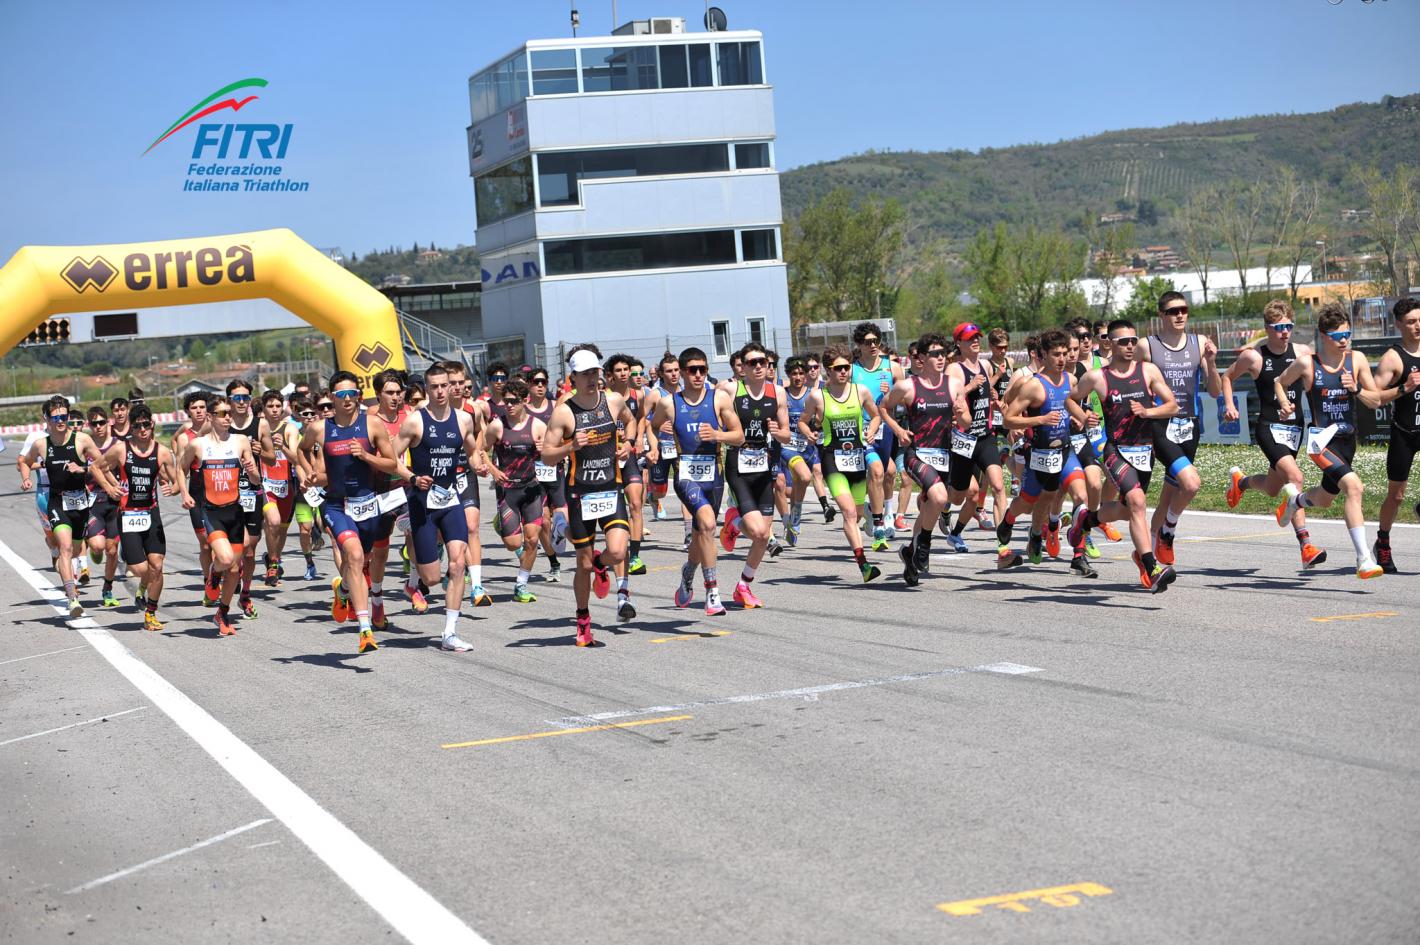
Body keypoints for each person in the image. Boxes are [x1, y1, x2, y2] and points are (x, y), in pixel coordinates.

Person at [1271, 304, 1384, 579]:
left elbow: (1376, 399)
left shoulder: (1356, 360)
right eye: (1337, 335)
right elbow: (1279, 381)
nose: (1344, 340)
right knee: (1354, 488)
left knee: (1323, 499)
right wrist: (1285, 403)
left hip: (1347, 441)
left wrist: (1355, 389)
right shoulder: (1308, 363)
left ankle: (1296, 501)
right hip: (1321, 442)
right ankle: (1364, 559)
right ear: (1323, 336)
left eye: (1347, 333)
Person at [1067, 319, 1179, 593]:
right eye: (1123, 342)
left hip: (1144, 450)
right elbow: (1070, 398)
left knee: (1129, 509)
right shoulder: (1097, 377)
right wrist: (1083, 416)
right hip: (1115, 451)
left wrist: (1148, 412)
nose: (1130, 346)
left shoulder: (1148, 370)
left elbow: (1172, 405)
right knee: (1138, 502)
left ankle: (1086, 520)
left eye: (1133, 341)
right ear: (1110, 344)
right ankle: (1151, 567)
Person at [541, 346, 637, 646]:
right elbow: (546, 455)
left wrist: (629, 443)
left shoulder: (613, 400)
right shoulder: (564, 412)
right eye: (585, 374)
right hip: (581, 492)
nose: (592, 379)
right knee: (582, 565)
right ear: (572, 378)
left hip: (610, 488)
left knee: (619, 553)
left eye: (595, 372)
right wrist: (571, 447)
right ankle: (583, 620)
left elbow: (630, 421)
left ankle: (601, 563)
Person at [300, 371, 401, 652]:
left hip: (368, 503)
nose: (348, 400)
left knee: (361, 560)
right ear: (332, 397)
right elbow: (302, 449)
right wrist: (311, 473)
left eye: (352, 394)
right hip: (336, 504)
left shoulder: (373, 425)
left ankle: (342, 590)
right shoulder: (320, 428)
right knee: (355, 556)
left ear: (359, 395)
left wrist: (366, 456)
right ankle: (365, 630)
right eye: (341, 395)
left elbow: (392, 464)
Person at [1221, 299, 1326, 569]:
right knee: (1296, 477)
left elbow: (1316, 383)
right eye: (1279, 327)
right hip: (1269, 427)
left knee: (1272, 488)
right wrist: (1230, 406)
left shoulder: (1303, 351)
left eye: (1289, 326)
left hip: (1294, 428)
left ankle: (1240, 482)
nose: (1285, 332)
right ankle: (1306, 545)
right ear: (1267, 328)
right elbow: (1227, 377)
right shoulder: (1254, 356)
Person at [646, 346, 744, 616]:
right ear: (683, 372)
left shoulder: (719, 399)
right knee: (709, 524)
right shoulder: (669, 403)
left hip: (715, 475)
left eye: (703, 369)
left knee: (703, 533)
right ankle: (712, 592)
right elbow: (651, 426)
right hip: (686, 474)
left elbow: (739, 435)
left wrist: (718, 435)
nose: (698, 375)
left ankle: (688, 571)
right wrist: (653, 446)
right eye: (693, 370)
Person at [392, 363, 483, 651]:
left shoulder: (463, 419)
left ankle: (449, 633)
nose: (442, 391)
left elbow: (471, 450)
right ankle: (416, 575)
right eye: (435, 386)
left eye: (446, 385)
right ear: (426, 389)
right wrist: (411, 477)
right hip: (422, 504)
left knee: (457, 563)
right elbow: (390, 458)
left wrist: (478, 465)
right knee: (432, 578)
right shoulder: (415, 422)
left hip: (451, 499)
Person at [1003, 329, 1096, 578]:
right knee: (1031, 502)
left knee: (1081, 496)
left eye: (1065, 353)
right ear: (1043, 354)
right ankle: (1016, 523)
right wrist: (1040, 419)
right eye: (1056, 354)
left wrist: (1086, 418)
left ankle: (1078, 555)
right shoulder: (1033, 385)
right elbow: (1008, 419)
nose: (1062, 358)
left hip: (1066, 451)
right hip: (1040, 454)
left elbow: (1072, 406)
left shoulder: (1071, 380)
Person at [18, 396, 120, 618]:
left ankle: (74, 572)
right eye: (56, 417)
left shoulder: (82, 440)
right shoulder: (41, 444)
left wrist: (103, 480)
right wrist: (26, 478)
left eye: (64, 416)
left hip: (80, 503)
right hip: (57, 501)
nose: (61, 421)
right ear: (47, 418)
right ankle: (72, 597)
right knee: (64, 547)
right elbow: (25, 462)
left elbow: (100, 464)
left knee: (74, 549)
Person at [1137, 291, 1216, 567]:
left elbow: (1215, 390)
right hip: (1159, 425)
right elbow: (1130, 382)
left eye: (1183, 309)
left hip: (1190, 425)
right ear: (1161, 315)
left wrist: (1212, 361)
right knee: (1191, 483)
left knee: (1169, 495)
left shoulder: (1199, 343)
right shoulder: (1147, 346)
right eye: (1173, 311)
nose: (1180, 315)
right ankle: (1168, 532)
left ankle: (1148, 554)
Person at [176, 395, 264, 635]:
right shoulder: (198, 445)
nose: (229, 417)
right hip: (211, 511)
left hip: (235, 511)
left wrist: (253, 471)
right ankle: (214, 574)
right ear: (211, 417)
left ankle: (222, 612)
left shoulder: (241, 441)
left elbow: (257, 480)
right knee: (225, 560)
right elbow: (180, 468)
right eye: (223, 413)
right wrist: (184, 493)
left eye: (230, 413)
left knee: (235, 569)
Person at [880, 332, 963, 585]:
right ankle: (924, 544)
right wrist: (898, 430)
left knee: (930, 505)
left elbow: (966, 420)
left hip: (944, 454)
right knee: (939, 497)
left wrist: (961, 415)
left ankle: (911, 553)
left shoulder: (953, 384)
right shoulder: (907, 386)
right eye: (935, 354)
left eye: (943, 354)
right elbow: (883, 407)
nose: (941, 358)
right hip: (917, 454)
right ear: (922, 357)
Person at [798, 345, 883, 583]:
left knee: (855, 514)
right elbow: (803, 422)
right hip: (831, 459)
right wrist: (808, 434)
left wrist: (872, 431)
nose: (844, 372)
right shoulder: (818, 396)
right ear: (828, 370)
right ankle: (863, 564)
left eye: (847, 367)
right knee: (847, 512)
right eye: (838, 368)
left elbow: (875, 415)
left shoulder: (861, 391)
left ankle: (865, 510)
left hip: (856, 459)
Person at [97, 404, 180, 630]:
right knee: (142, 570)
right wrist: (110, 486)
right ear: (131, 428)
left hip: (151, 514)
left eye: (146, 425)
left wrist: (174, 489)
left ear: (152, 425)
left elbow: (176, 482)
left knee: (157, 566)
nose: (143, 429)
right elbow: (97, 467)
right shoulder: (121, 450)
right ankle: (137, 570)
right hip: (129, 515)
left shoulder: (162, 452)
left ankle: (151, 613)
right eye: (137, 426)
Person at [722, 342, 790, 608]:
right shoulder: (730, 391)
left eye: (763, 362)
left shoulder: (778, 393)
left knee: (763, 536)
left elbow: (785, 434)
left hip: (764, 465)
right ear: (743, 368)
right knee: (756, 529)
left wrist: (776, 431)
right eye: (753, 363)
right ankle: (734, 522)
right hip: (738, 463)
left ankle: (743, 586)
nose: (760, 366)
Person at [944, 322, 1009, 554]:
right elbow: (950, 398)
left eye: (977, 338)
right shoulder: (954, 370)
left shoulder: (985, 365)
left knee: (999, 486)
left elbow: (986, 394)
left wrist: (995, 400)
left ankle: (1003, 545)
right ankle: (944, 507)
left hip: (985, 436)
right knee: (962, 496)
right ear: (958, 343)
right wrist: (970, 386)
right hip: (963, 440)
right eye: (970, 338)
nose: (975, 342)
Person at [485, 377, 548, 605]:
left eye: (513, 401)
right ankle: (501, 523)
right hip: (508, 491)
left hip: (532, 489)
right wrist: (493, 470)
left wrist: (544, 450)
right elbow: (481, 450)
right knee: (513, 544)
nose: (508, 405)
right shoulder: (497, 425)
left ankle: (521, 585)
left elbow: (551, 458)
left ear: (525, 401)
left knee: (532, 540)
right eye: (505, 401)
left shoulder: (538, 426)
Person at [1369, 297, 1420, 573]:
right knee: (1396, 496)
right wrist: (1405, 388)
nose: (1417, 326)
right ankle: (1383, 542)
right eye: (1411, 322)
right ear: (1399, 324)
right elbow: (1374, 398)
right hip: (1404, 433)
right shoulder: (1393, 357)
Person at [850, 321, 904, 549]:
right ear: (859, 345)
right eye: (867, 342)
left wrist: (891, 395)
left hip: (886, 428)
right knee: (877, 471)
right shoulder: (852, 370)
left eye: (876, 341)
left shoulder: (892, 367)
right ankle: (881, 521)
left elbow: (905, 398)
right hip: (861, 429)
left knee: (890, 473)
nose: (873, 345)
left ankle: (880, 511)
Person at [226, 379, 277, 618]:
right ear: (229, 401)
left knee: (248, 551)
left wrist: (260, 452)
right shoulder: (221, 425)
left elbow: (272, 458)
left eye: (245, 398)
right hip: (225, 495)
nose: (241, 402)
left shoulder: (261, 425)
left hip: (252, 493)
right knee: (233, 552)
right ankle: (224, 578)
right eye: (237, 398)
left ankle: (245, 594)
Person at [366, 369, 411, 629]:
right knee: (378, 554)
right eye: (390, 393)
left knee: (419, 532)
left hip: (405, 488)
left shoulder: (411, 418)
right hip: (379, 492)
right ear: (378, 395)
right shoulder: (370, 420)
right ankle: (377, 600)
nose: (396, 397)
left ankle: (413, 583)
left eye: (399, 392)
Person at [604, 354, 649, 588]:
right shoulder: (604, 397)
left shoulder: (637, 394)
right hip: (608, 459)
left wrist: (637, 438)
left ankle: (634, 556)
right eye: (619, 370)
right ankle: (613, 547)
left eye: (627, 370)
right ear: (610, 375)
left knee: (636, 503)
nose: (624, 374)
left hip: (628, 455)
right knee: (614, 508)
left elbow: (640, 418)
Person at [523, 366, 566, 582]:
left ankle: (561, 542)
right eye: (536, 382)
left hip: (555, 468)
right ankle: (554, 561)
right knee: (544, 522)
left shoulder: (556, 407)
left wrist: (556, 444)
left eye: (543, 382)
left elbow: (567, 431)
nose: (540, 386)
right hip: (533, 472)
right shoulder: (523, 409)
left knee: (562, 517)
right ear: (528, 385)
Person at [172, 392, 214, 596]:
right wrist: (183, 493)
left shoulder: (218, 430)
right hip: (197, 493)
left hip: (220, 490)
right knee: (206, 544)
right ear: (188, 411)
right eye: (194, 408)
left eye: (202, 407)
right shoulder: (183, 437)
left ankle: (225, 573)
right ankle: (209, 581)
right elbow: (181, 468)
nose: (199, 411)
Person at [259, 389, 302, 585]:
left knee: (281, 530)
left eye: (278, 406)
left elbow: (296, 459)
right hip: (264, 484)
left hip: (285, 484)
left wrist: (282, 446)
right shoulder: (259, 427)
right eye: (270, 406)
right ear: (264, 408)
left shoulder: (289, 429)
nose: (275, 410)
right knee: (273, 522)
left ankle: (273, 558)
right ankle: (273, 565)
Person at [82, 406, 123, 608]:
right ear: (89, 425)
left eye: (101, 422)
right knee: (98, 546)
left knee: (112, 551)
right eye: (94, 423)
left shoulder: (118, 444)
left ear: (109, 422)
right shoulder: (84, 445)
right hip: (92, 502)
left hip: (114, 502)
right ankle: (93, 550)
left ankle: (107, 588)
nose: (98, 427)